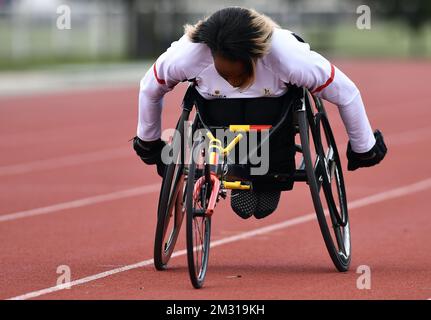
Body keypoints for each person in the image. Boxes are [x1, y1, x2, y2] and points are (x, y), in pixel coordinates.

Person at [133, 7, 387, 219]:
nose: (232, 81)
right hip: (216, 115)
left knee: (265, 120)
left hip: (273, 116)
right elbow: (149, 88)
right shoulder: (188, 55)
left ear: (254, 58)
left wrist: (363, 146)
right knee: (228, 123)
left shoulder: (287, 57)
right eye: (225, 73)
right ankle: (242, 171)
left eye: (237, 74)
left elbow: (346, 92)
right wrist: (149, 142)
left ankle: (268, 179)